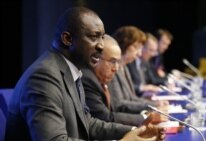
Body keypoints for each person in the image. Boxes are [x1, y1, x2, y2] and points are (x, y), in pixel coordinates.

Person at [5, 7, 165, 141]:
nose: (101, 46)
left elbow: (87, 123)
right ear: (67, 39)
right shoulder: (43, 77)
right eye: (94, 37)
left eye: (102, 37)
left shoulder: (71, 70)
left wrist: (135, 131)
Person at [82, 34, 166, 126]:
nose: (116, 68)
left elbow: (129, 99)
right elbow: (112, 112)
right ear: (95, 59)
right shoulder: (89, 79)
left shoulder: (120, 69)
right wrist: (146, 116)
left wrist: (152, 107)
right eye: (136, 48)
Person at [110, 26, 168, 115]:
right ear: (124, 44)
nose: (139, 53)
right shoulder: (112, 69)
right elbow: (120, 105)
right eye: (136, 47)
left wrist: (155, 104)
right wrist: (154, 106)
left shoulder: (124, 67)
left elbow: (132, 98)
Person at [127, 33, 166, 98]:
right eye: (151, 50)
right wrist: (143, 88)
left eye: (154, 51)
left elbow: (153, 80)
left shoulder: (146, 63)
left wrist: (167, 81)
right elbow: (127, 87)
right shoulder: (129, 62)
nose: (153, 54)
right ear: (142, 47)